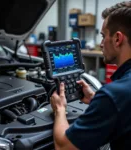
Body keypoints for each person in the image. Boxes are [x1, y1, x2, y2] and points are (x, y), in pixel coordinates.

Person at [50, 1, 131, 150]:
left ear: (117, 39)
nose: (101, 44)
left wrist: (60, 109)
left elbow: (63, 146)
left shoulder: (114, 94)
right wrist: (96, 99)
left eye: (103, 35)